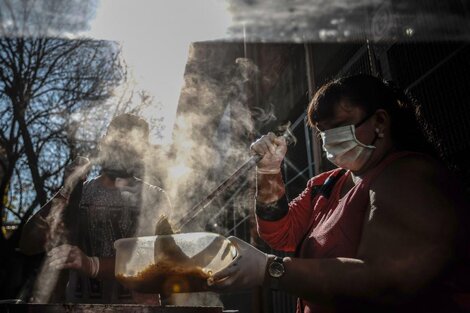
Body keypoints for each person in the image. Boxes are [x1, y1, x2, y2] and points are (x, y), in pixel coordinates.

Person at [209, 74, 467, 312]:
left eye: (340, 126)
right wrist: (268, 172)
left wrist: (270, 270)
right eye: (323, 130)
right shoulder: (326, 184)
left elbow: (384, 283)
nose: (329, 138)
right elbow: (279, 234)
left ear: (380, 121)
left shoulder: (409, 176)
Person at [19, 113, 172, 304]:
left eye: (131, 145)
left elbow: (168, 261)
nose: (123, 149)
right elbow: (28, 243)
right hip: (80, 309)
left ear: (142, 152)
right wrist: (67, 188)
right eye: (117, 141)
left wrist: (92, 265)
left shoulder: (156, 197)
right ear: (104, 143)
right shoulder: (78, 195)